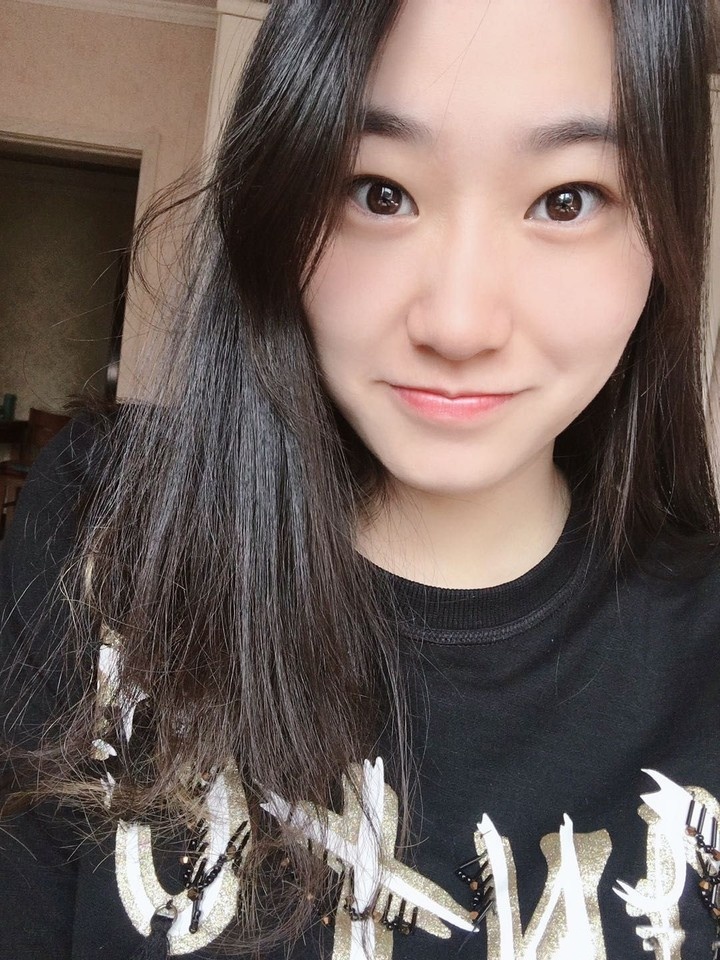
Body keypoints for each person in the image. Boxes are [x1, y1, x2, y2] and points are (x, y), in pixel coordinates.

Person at [0, 0, 718, 957]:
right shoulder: (105, 525)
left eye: (566, 200)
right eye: (380, 192)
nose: (458, 324)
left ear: (666, 229)